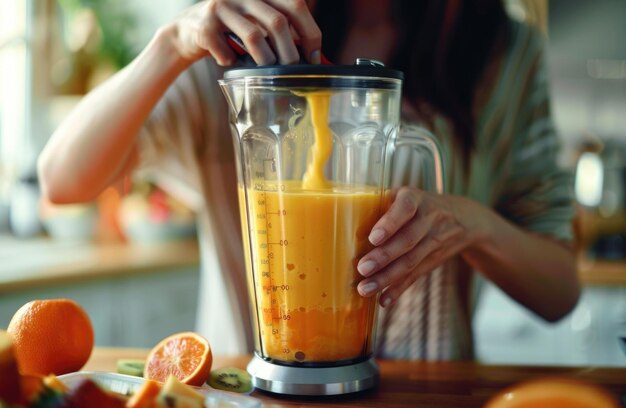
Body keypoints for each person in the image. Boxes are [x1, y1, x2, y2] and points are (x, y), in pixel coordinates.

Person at [38, 0, 579, 360]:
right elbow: (62, 179)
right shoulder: (234, 38)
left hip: (428, 393)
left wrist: (473, 224)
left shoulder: (505, 53)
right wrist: (172, 44)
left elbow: (559, 290)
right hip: (249, 397)